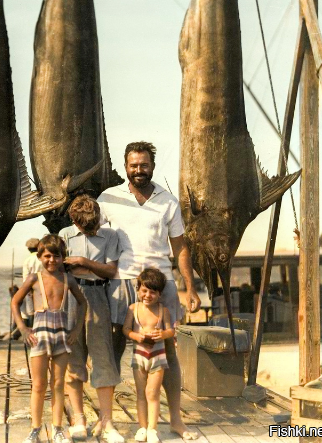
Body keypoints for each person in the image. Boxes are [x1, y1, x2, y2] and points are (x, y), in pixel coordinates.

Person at [97, 141, 201, 441]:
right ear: (126, 166)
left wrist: (190, 287)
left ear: (152, 166)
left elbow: (180, 246)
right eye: (133, 165)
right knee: (114, 347)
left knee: (167, 351)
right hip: (121, 280)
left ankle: (176, 420)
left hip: (162, 282)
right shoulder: (109, 198)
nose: (139, 170)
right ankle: (108, 420)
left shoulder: (168, 201)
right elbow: (94, 236)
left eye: (144, 165)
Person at [59, 195, 123, 443]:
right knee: (73, 357)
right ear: (74, 220)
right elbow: (57, 266)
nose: (91, 229)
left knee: (103, 356)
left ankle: (107, 421)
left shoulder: (110, 236)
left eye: (94, 224)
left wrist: (84, 263)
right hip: (70, 297)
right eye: (85, 226)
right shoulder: (64, 235)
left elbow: (111, 269)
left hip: (98, 295)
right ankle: (78, 418)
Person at [11, 235, 87, 443]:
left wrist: (76, 329)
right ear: (39, 256)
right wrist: (23, 328)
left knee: (58, 383)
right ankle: (35, 429)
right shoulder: (34, 279)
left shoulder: (68, 279)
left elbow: (83, 303)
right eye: (47, 256)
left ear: (63, 257)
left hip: (61, 336)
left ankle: (57, 428)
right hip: (40, 336)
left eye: (56, 256)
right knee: (38, 384)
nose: (51, 260)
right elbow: (15, 302)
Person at [123, 269, 175, 443]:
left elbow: (171, 330)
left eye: (153, 292)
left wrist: (163, 334)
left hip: (158, 356)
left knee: (152, 392)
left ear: (159, 294)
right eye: (144, 290)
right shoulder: (133, 309)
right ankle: (142, 427)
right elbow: (126, 329)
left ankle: (152, 429)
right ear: (138, 290)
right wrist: (136, 336)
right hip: (139, 355)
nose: (148, 295)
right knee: (140, 393)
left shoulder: (163, 311)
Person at [21, 237, 42, 324]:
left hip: (30, 287)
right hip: (42, 286)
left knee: (30, 311)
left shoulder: (27, 260)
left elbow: (25, 278)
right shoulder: (42, 259)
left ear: (28, 249)